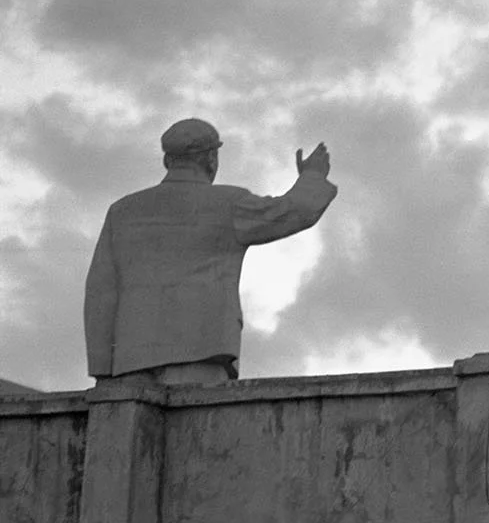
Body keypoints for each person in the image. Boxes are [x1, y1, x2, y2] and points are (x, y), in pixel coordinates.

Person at [84, 118, 337, 385]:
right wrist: (313, 175)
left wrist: (102, 368)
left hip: (130, 359)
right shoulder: (229, 203)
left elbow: (101, 293)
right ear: (211, 159)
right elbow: (294, 211)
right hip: (201, 351)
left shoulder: (122, 212)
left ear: (167, 160)